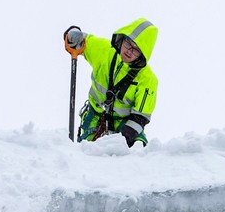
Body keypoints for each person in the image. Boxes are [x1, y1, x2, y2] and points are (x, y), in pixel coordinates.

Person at [65, 19, 158, 147]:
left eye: (136, 50)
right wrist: (72, 34)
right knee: (87, 153)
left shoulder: (148, 80)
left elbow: (139, 118)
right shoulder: (104, 50)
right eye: (128, 43)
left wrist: (120, 142)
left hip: (125, 123)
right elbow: (81, 40)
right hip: (95, 117)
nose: (129, 51)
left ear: (143, 54)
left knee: (138, 149)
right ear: (122, 39)